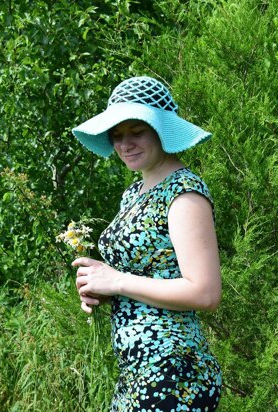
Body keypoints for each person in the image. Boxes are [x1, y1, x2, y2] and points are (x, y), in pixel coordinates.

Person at [71, 76, 222, 411]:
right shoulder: (134, 193)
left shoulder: (183, 193)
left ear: (161, 131)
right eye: (117, 135)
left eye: (136, 131)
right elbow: (144, 278)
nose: (125, 143)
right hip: (138, 372)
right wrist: (103, 288)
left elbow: (205, 292)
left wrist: (118, 281)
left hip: (174, 372)